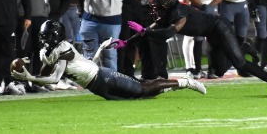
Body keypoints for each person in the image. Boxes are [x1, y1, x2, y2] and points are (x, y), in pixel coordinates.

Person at [120, 0, 267, 97]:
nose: (155, 10)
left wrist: (145, 31)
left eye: (158, 7)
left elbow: (168, 32)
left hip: (219, 27)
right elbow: (147, 31)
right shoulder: (165, 13)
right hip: (210, 33)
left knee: (240, 63)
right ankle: (243, 48)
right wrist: (126, 42)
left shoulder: (179, 12)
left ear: (167, 5)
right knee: (218, 71)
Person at [11, 20, 206, 100]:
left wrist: (29, 77)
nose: (44, 40)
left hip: (102, 77)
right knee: (141, 95)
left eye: (47, 36)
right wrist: (30, 74)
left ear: (56, 36)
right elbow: (43, 76)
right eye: (43, 37)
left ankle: (185, 82)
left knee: (142, 89)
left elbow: (54, 79)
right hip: (96, 86)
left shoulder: (63, 49)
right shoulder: (49, 52)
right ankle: (175, 86)